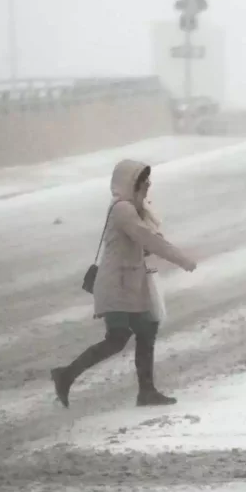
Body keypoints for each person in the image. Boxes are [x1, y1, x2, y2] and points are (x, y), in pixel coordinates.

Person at [52, 159, 197, 408]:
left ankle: (146, 391)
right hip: (116, 286)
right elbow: (148, 239)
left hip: (127, 284)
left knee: (146, 329)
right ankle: (66, 375)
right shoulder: (123, 210)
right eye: (143, 182)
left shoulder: (132, 209)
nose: (147, 186)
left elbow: (143, 241)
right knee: (118, 338)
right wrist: (181, 259)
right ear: (131, 184)